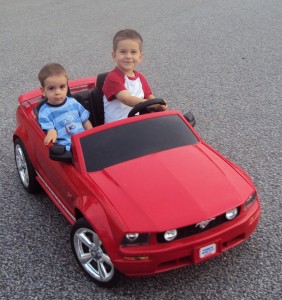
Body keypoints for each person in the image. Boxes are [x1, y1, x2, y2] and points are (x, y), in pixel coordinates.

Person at [102, 29, 168, 123]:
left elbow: (149, 96)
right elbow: (126, 98)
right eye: (123, 52)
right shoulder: (113, 78)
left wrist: (158, 103)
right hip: (115, 126)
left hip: (135, 123)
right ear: (114, 55)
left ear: (140, 57)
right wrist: (151, 105)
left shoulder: (140, 78)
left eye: (133, 52)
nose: (128, 56)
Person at [38, 63, 92, 151]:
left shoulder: (73, 103)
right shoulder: (44, 112)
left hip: (84, 141)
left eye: (62, 87)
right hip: (67, 148)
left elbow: (85, 121)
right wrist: (51, 132)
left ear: (67, 87)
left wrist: (91, 135)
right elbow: (49, 130)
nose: (57, 92)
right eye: (51, 88)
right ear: (43, 91)